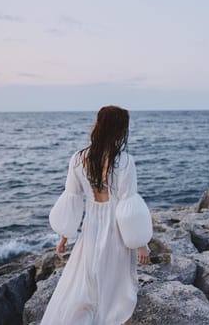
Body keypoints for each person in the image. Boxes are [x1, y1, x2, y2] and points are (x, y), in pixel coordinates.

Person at [41, 105, 152, 325]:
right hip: (117, 233)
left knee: (88, 285)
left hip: (90, 229)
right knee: (120, 289)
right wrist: (140, 243)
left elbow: (72, 199)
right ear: (119, 130)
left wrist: (64, 237)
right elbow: (128, 205)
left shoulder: (78, 159)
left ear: (98, 126)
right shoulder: (125, 161)